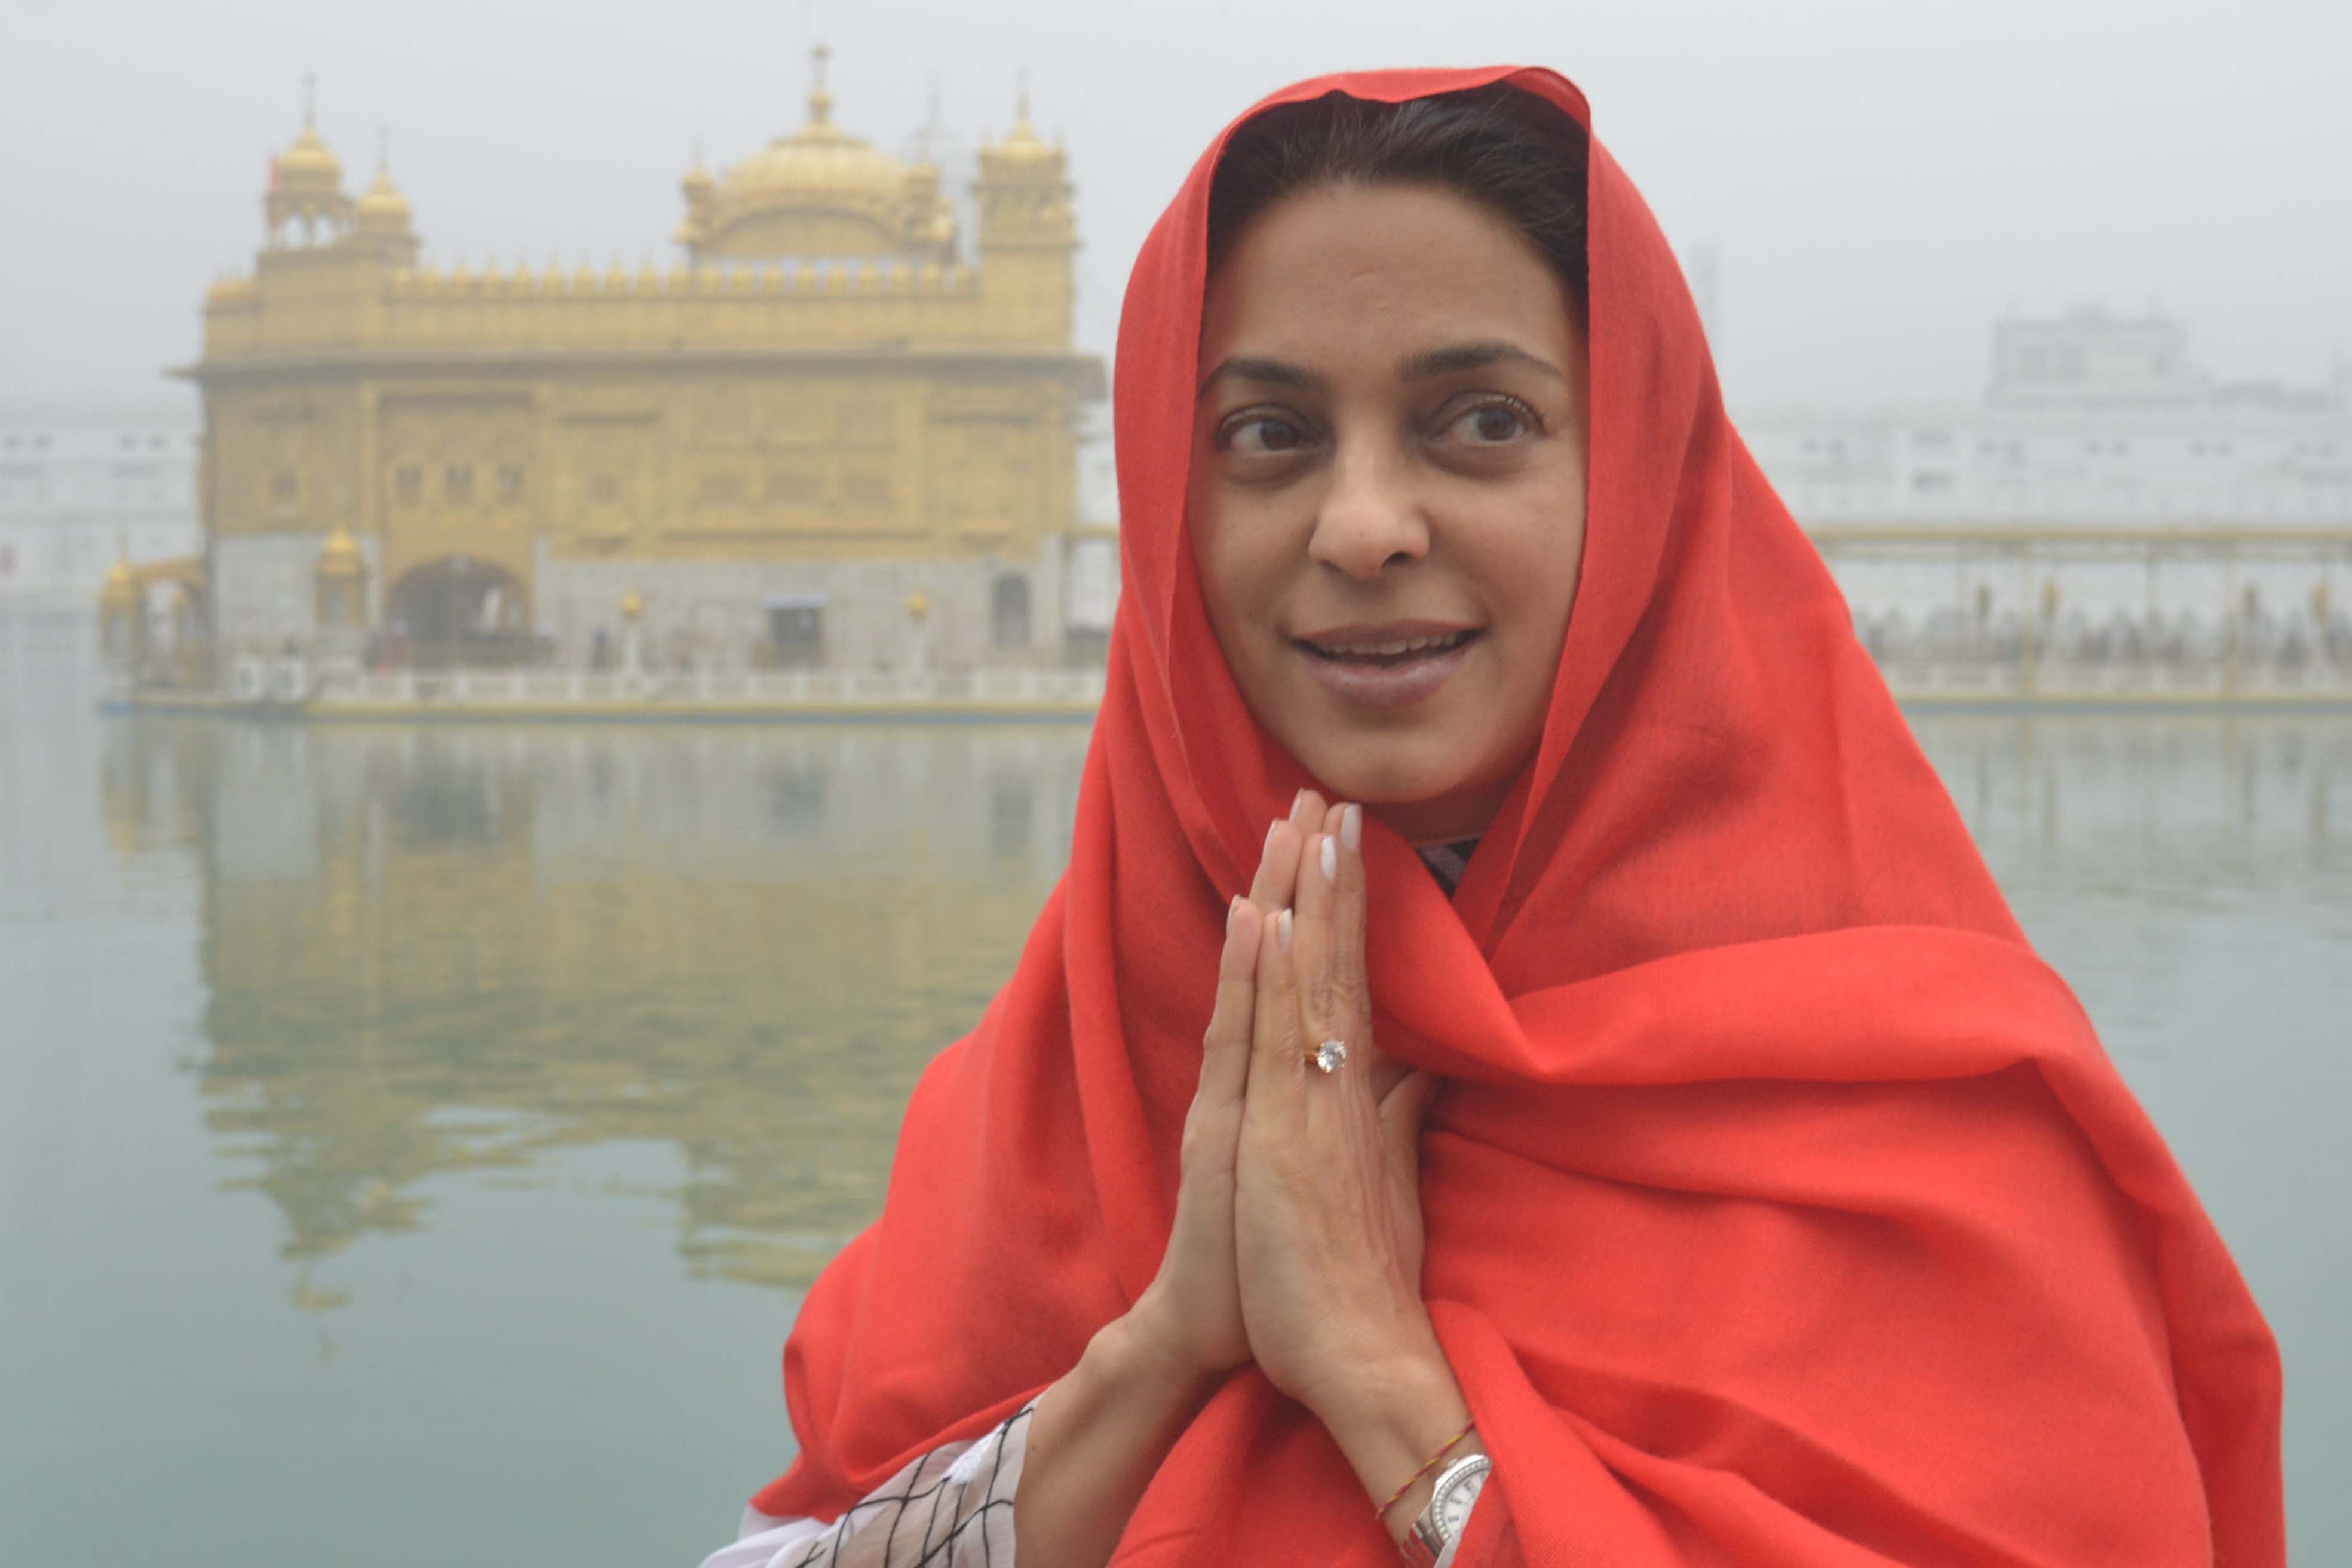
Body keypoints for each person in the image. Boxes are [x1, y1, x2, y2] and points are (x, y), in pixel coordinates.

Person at [701, 66, 2283, 1568]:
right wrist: (1163, 1347)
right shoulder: (1081, 1066)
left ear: (1641, 479)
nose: (1367, 524)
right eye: (1269, 436)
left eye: (1479, 422)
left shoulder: (1925, 1131)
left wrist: (1389, 1391)